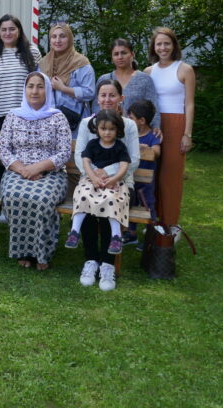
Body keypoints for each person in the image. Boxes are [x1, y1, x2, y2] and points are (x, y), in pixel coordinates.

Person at [0, 72, 71, 271]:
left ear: (47, 90)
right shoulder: (13, 116)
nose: (35, 91)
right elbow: (3, 148)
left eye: (40, 86)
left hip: (51, 174)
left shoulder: (57, 117)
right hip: (16, 171)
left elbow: (64, 152)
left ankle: (42, 253)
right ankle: (23, 251)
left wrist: (37, 168)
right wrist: (23, 169)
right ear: (25, 89)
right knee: (14, 196)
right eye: (31, 86)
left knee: (42, 199)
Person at [75, 79, 140, 291]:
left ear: (121, 98)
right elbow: (80, 155)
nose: (107, 99)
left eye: (112, 95)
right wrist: (94, 176)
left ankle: (107, 265)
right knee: (87, 201)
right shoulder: (87, 124)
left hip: (120, 181)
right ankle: (91, 260)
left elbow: (134, 159)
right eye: (103, 95)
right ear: (97, 98)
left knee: (108, 202)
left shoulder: (128, 125)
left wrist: (109, 174)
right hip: (90, 180)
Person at [0, 14, 41, 222]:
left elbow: (39, 83)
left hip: (26, 115)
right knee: (3, 160)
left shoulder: (32, 52)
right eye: (4, 30)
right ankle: (4, 205)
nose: (8, 33)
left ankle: (24, 201)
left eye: (12, 29)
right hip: (0, 114)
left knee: (24, 158)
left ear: (19, 31)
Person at [145, 27, 195, 227]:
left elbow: (189, 103)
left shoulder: (185, 69)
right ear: (154, 47)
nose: (163, 47)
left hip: (176, 124)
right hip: (154, 125)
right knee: (152, 173)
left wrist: (187, 134)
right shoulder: (149, 71)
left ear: (174, 45)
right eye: (159, 44)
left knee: (171, 175)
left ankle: (171, 224)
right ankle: (153, 222)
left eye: (167, 43)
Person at [65, 109, 132, 256]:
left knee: (112, 198)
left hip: (113, 181)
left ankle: (116, 236)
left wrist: (114, 179)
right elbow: (85, 161)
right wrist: (93, 178)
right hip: (92, 180)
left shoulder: (120, 146)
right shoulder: (93, 144)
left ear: (117, 130)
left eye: (111, 129)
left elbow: (124, 165)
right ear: (97, 129)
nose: (107, 133)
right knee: (83, 194)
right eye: (103, 129)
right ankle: (75, 231)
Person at [39, 22, 95, 137]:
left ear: (70, 39)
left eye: (62, 36)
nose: (57, 40)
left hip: (75, 125)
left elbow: (89, 92)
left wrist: (63, 88)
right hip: (48, 124)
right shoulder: (43, 64)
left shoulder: (81, 63)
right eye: (54, 37)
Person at [94, 38, 161, 132]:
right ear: (112, 58)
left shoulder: (144, 79)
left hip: (138, 133)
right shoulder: (104, 79)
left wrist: (155, 127)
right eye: (116, 54)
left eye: (124, 53)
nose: (120, 57)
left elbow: (153, 107)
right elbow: (96, 107)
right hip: (109, 133)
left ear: (132, 54)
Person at [125, 99, 161, 245]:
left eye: (131, 118)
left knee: (148, 207)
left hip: (146, 183)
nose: (128, 120)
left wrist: (147, 149)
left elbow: (157, 152)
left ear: (141, 121)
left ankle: (151, 236)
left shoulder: (152, 136)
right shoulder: (128, 135)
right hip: (130, 179)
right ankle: (131, 234)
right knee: (131, 205)